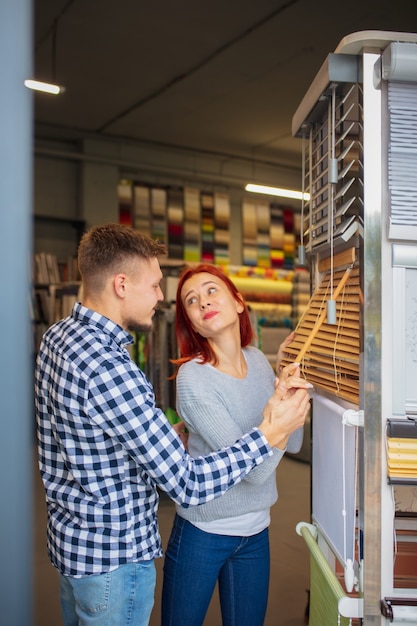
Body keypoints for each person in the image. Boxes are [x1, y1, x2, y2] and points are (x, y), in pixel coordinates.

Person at [34, 223, 311, 626]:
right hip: (115, 558)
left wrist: (279, 411)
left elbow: (74, 437)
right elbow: (188, 484)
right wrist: (270, 431)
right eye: (156, 285)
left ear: (238, 302)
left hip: (75, 547)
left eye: (210, 291)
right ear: (122, 284)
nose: (161, 297)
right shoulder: (114, 370)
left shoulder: (59, 338)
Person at [161, 264, 311, 626]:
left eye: (212, 290)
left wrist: (286, 388)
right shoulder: (193, 380)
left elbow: (292, 442)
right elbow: (255, 472)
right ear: (193, 324)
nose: (203, 303)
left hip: (256, 532)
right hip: (203, 533)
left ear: (239, 302)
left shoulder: (259, 361)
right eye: (191, 301)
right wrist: (278, 414)